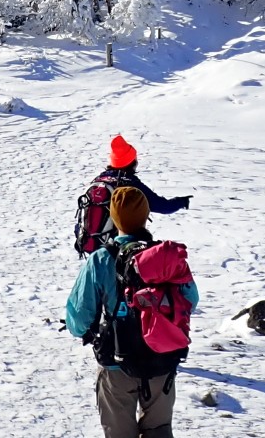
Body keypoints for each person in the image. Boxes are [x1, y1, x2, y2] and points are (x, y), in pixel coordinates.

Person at [66, 186, 197, 438]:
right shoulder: (165, 258)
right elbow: (191, 298)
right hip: (162, 359)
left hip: (116, 362)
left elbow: (79, 318)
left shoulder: (101, 259)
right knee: (159, 431)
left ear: (114, 218)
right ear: (146, 215)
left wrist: (85, 331)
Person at [73, 135, 191, 256]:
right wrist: (181, 202)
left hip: (92, 246)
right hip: (116, 250)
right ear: (131, 162)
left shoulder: (99, 180)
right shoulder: (129, 185)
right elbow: (163, 207)